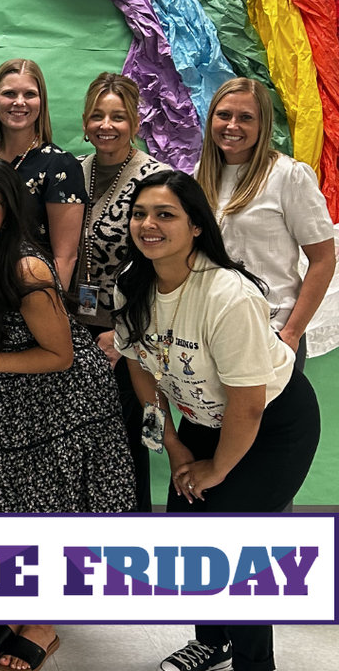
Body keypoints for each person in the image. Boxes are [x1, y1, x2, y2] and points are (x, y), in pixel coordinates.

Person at [0, 157, 134, 671]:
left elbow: (62, 355)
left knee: (49, 511)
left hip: (59, 403)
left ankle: (43, 622)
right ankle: (17, 608)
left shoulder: (26, 267)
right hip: (6, 401)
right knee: (10, 508)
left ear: (9, 215)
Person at [114, 170, 320, 671]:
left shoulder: (228, 295)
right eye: (140, 214)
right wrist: (176, 448)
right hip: (203, 421)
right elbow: (141, 369)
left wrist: (218, 470)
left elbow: (248, 403)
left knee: (232, 549)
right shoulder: (133, 283)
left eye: (165, 214)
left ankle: (255, 662)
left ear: (197, 226)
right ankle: (212, 641)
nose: (148, 224)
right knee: (189, 537)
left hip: (272, 425)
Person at [194, 77, 335, 373]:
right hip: (212, 328)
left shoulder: (289, 176)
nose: (232, 126)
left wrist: (292, 333)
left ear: (263, 125)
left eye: (246, 118)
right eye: (224, 115)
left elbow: (323, 260)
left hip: (271, 331)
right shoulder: (200, 176)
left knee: (269, 419)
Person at [76, 72, 168, 511]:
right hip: (76, 335)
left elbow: (168, 269)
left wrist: (125, 334)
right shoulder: (76, 172)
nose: (106, 125)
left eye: (117, 116)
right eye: (97, 115)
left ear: (134, 121)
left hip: (125, 341)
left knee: (126, 447)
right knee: (79, 449)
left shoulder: (157, 180)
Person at [0, 59, 85, 289]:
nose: (19, 102)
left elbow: (64, 258)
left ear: (42, 102)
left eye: (29, 94)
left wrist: (49, 311)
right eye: (9, 93)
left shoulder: (59, 166)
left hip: (28, 296)